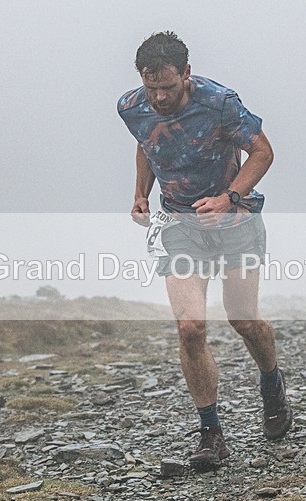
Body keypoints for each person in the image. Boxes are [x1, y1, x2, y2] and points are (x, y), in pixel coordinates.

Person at [117, 32, 292, 471]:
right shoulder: (130, 106)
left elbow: (263, 153)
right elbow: (147, 141)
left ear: (186, 74)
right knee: (191, 326)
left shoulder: (219, 102)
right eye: (151, 86)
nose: (158, 97)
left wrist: (228, 197)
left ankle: (271, 384)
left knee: (243, 320)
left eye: (168, 88)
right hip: (180, 224)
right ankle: (211, 433)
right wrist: (140, 193)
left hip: (235, 222)